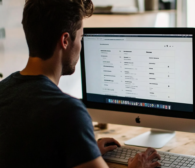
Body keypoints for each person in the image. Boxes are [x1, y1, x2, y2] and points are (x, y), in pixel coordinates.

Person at [0, 0, 161, 167]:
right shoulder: (68, 112)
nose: (80, 46)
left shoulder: (3, 91)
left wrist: (84, 150)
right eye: (81, 37)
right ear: (65, 40)